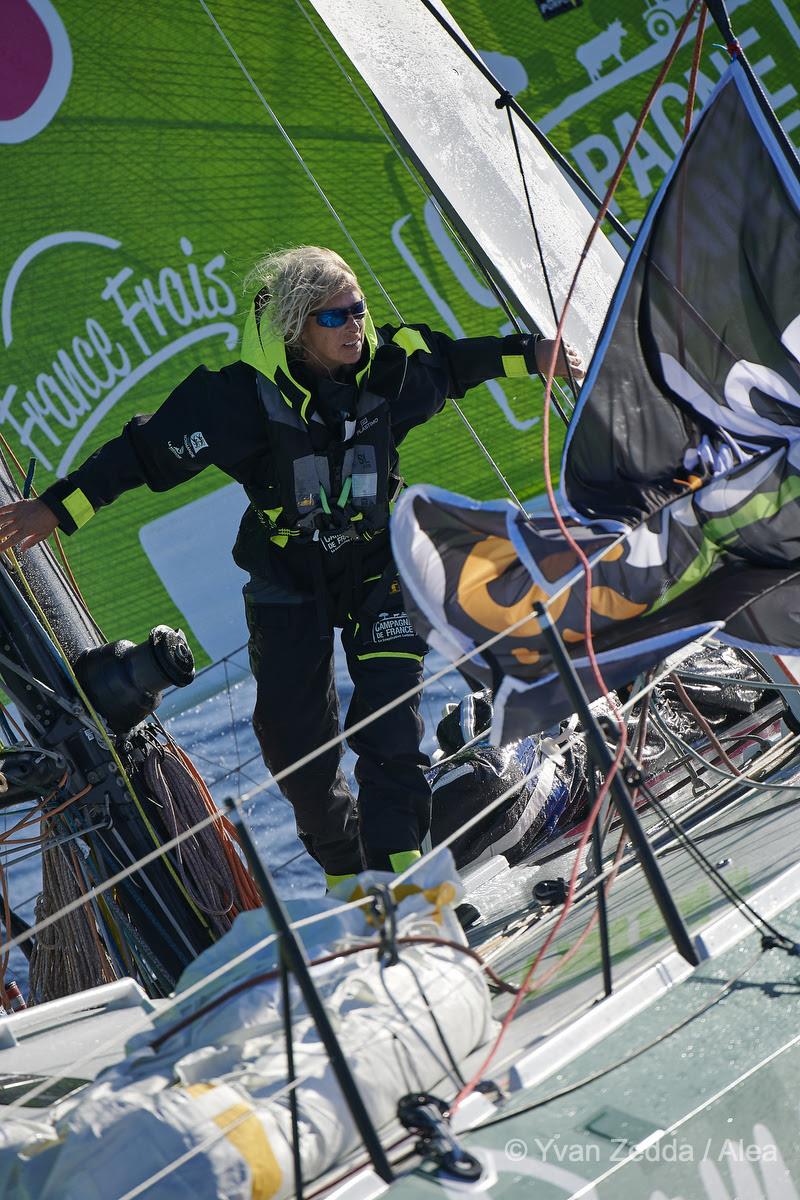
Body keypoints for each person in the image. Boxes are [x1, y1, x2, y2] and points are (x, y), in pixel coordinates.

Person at [0, 246, 583, 887]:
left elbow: (455, 363)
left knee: (389, 721)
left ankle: (403, 879)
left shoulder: (395, 370)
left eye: (357, 310)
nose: (354, 325)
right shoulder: (234, 402)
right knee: (292, 744)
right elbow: (140, 455)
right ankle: (348, 872)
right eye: (333, 318)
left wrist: (534, 355)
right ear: (293, 330)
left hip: (377, 569)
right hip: (287, 578)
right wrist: (57, 509)